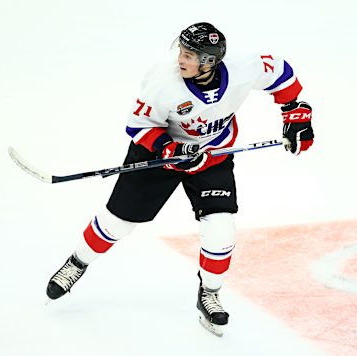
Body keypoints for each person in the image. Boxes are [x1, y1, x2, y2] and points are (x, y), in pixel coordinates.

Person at [45, 22, 314, 336]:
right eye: (181, 51)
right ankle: (78, 262)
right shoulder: (163, 82)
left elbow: (280, 74)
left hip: (213, 157)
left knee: (221, 228)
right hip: (160, 157)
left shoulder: (244, 68)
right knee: (118, 222)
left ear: (210, 61)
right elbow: (139, 127)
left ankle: (209, 293)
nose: (180, 59)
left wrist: (296, 112)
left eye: (188, 54)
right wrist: (171, 147)